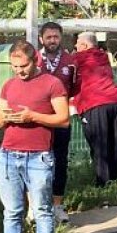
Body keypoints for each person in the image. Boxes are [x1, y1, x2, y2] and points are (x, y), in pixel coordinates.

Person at [0, 40, 70, 233]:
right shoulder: (9, 85)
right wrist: (5, 118)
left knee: (43, 210)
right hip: (9, 154)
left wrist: (32, 116)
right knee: (12, 211)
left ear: (35, 60)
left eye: (23, 66)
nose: (19, 71)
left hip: (38, 156)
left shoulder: (52, 83)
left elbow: (64, 119)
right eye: (15, 66)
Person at [73, 32, 117, 186]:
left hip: (95, 103)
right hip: (115, 101)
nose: (75, 46)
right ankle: (115, 178)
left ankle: (102, 182)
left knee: (98, 143)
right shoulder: (103, 56)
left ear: (84, 45)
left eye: (77, 43)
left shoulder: (78, 59)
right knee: (114, 142)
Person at [37, 22, 76, 221]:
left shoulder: (70, 61)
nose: (53, 40)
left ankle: (57, 205)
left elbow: (75, 87)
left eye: (56, 37)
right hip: (38, 120)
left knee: (60, 162)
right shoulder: (34, 59)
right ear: (41, 39)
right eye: (49, 37)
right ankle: (37, 206)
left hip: (60, 120)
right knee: (38, 162)